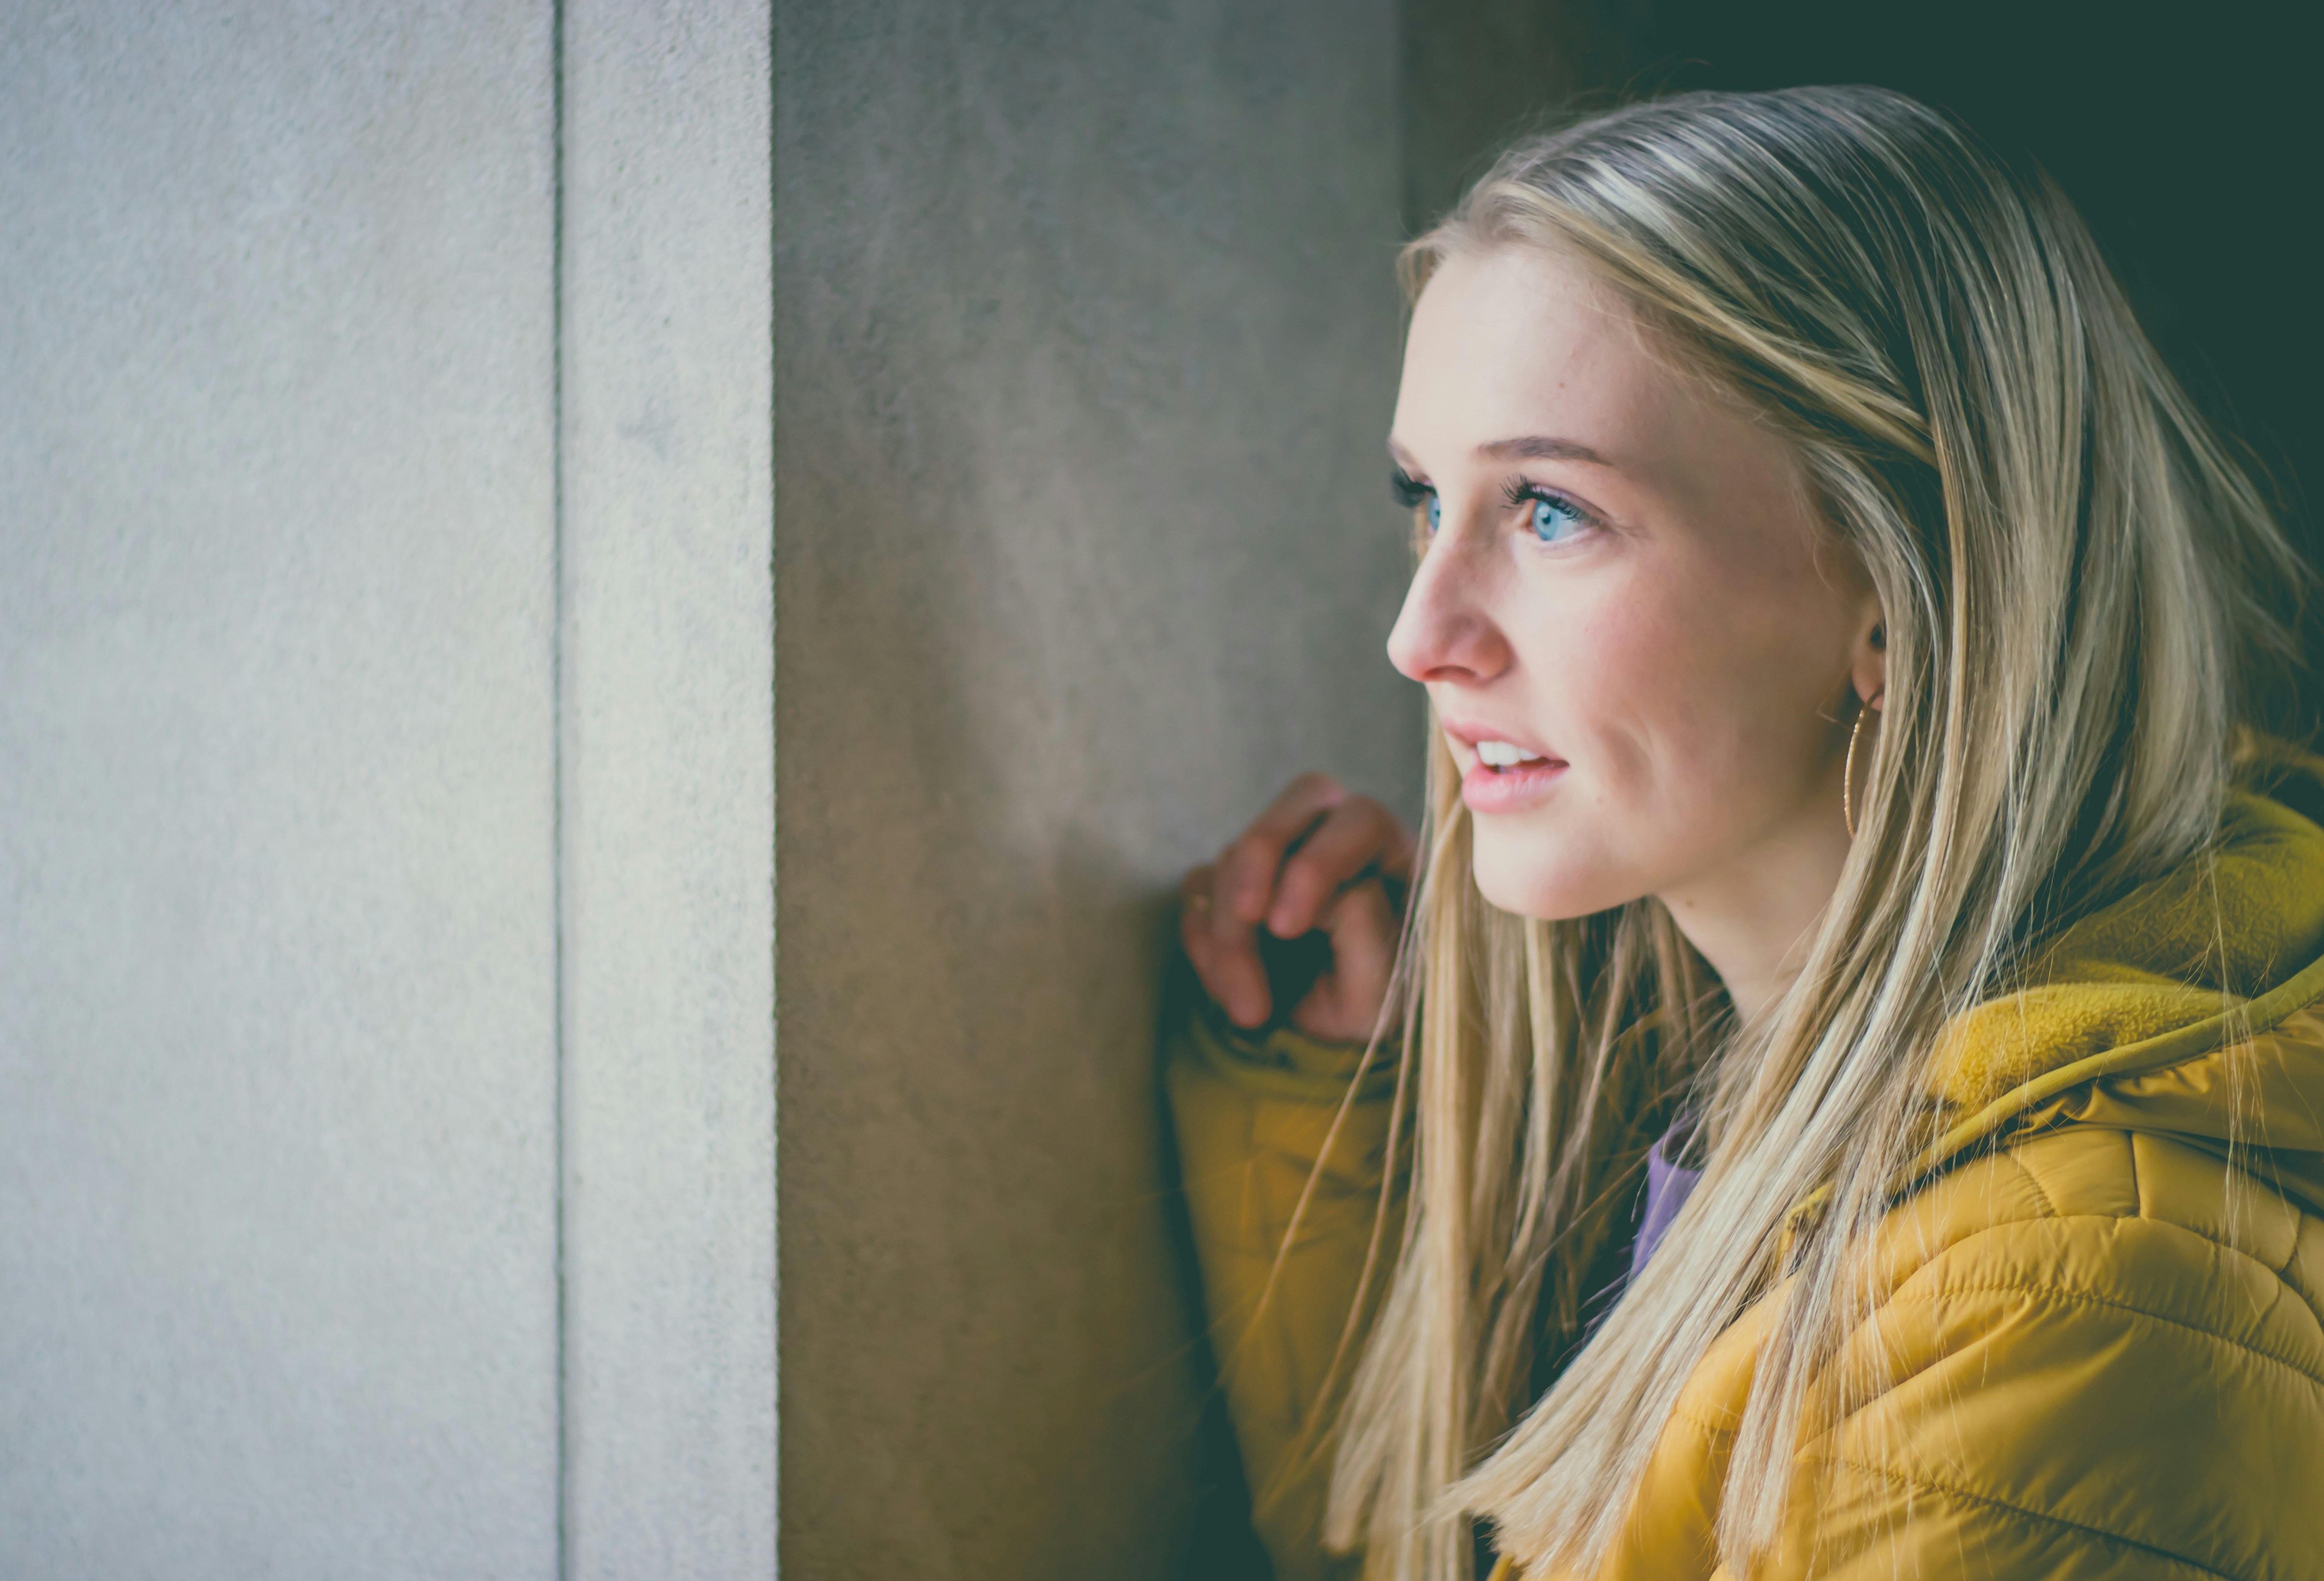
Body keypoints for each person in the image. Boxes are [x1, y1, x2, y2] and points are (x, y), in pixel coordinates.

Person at [1164, 85, 2324, 1581]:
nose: (1419, 633)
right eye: (1424, 500)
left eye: (1550, 510)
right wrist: (1340, 1102)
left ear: (1905, 590)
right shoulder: (1687, 1104)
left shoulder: (2039, 1325)